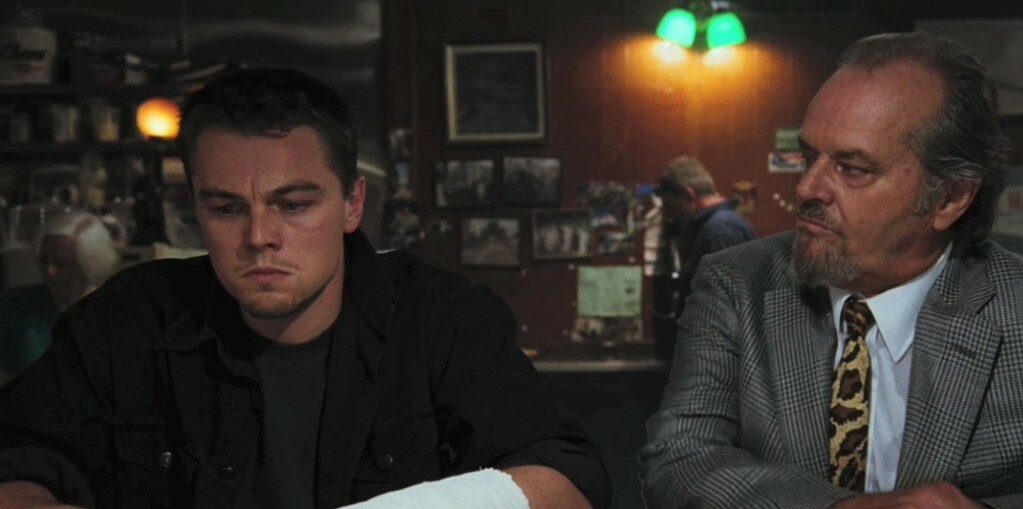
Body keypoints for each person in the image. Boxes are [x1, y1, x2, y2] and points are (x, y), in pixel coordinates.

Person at [0, 68, 609, 508]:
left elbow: (568, 479)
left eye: (293, 205)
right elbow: (18, 460)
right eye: (226, 208)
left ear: (352, 204)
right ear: (196, 210)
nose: (259, 237)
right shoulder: (128, 321)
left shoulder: (441, 318)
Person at [640, 32, 1023, 508]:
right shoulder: (737, 284)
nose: (808, 187)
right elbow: (679, 456)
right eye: (809, 157)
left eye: (852, 169)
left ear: (949, 197)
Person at [0, 211, 120, 385]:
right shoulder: (15, 303)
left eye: (62, 263)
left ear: (90, 263)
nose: (49, 272)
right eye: (44, 261)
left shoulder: (112, 314)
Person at [655, 155, 757, 288]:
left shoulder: (720, 231)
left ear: (689, 196)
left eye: (670, 206)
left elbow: (726, 294)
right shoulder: (721, 224)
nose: (668, 214)